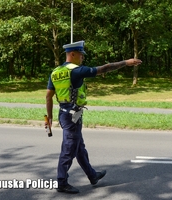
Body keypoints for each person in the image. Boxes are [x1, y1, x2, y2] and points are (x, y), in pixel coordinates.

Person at [45, 40, 142, 194]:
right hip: (72, 116)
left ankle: (92, 175)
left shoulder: (55, 72)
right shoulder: (76, 71)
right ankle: (61, 182)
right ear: (72, 54)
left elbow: (48, 97)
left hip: (64, 114)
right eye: (81, 54)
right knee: (69, 149)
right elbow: (105, 68)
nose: (83, 57)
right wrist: (126, 62)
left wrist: (49, 117)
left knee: (79, 148)